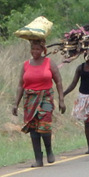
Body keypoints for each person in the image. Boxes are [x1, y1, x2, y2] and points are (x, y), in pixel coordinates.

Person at [12, 39, 66, 167]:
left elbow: (58, 81)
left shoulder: (49, 63)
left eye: (37, 49)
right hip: (30, 99)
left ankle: (49, 150)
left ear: (43, 50)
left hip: (46, 97)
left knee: (45, 125)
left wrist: (61, 100)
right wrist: (16, 104)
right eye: (33, 49)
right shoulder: (26, 64)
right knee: (33, 127)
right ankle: (38, 158)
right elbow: (21, 85)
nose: (35, 52)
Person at [63, 58, 89, 154]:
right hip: (82, 96)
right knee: (87, 122)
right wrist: (64, 93)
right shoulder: (80, 68)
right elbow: (74, 83)